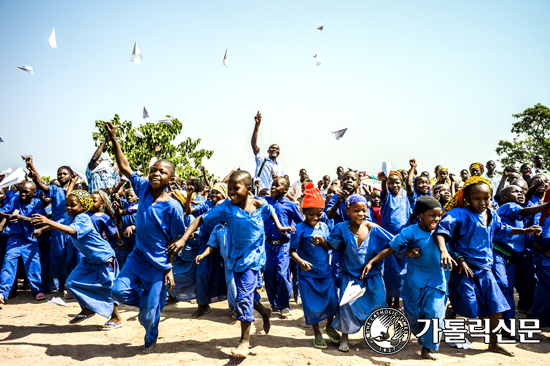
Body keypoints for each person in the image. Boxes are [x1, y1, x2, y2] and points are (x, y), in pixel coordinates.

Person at [168, 170, 294, 357]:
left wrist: (281, 226)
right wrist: (183, 239)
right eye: (229, 189)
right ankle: (264, 312)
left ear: (248, 189)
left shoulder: (260, 203)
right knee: (247, 295)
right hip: (235, 257)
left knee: (242, 297)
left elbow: (271, 211)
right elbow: (200, 219)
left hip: (254, 258)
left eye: (236, 188)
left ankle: (244, 342)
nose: (232, 192)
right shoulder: (227, 207)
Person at [434, 176, 541, 356]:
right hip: (464, 268)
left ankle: (493, 343)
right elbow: (441, 231)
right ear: (467, 197)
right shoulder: (458, 214)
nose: (483, 202)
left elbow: (501, 229)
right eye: (477, 198)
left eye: (486, 198)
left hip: (485, 268)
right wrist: (444, 250)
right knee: (468, 307)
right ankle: (449, 321)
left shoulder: (491, 213)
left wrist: (524, 230)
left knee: (497, 306)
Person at [104, 121, 186, 354]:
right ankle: (147, 302)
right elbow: (125, 166)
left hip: (158, 263)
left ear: (171, 178)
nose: (156, 173)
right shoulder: (142, 189)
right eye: (153, 170)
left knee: (150, 315)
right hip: (137, 256)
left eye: (163, 171)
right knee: (117, 291)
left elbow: (176, 240)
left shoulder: (172, 207)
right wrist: (114, 139)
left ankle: (151, 338)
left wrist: (169, 269)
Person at [363, 196, 456, 360]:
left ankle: (428, 348)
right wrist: (372, 261)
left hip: (438, 280)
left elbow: (456, 248)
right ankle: (418, 330)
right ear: (420, 215)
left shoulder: (443, 231)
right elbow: (392, 248)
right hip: (415, 280)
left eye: (439, 215)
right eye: (432, 215)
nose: (436, 219)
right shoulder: (410, 232)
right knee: (413, 314)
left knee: (434, 313)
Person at [31, 190, 123, 329]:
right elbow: (58, 223)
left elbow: (72, 231)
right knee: (72, 283)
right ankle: (88, 308)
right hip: (90, 259)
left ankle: (116, 317)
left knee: (106, 288)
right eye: (67, 204)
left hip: (103, 258)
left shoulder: (83, 218)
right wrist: (42, 229)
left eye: (73, 205)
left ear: (83, 207)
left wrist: (48, 221)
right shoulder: (70, 217)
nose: (68, 207)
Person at [325, 194, 393, 352]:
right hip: (350, 275)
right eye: (356, 211)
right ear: (347, 211)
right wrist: (320, 241)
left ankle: (378, 335)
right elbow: (330, 245)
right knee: (348, 306)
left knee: (378, 303)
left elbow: (392, 245)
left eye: (364, 210)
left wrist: (372, 261)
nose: (361, 214)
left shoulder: (372, 228)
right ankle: (345, 337)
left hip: (372, 275)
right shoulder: (341, 228)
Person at [492, 185, 550, 333]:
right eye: (515, 191)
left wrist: (544, 250)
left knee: (508, 291)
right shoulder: (507, 207)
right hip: (498, 253)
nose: (520, 194)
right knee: (502, 285)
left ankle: (505, 327)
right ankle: (497, 320)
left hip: (511, 258)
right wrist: (548, 205)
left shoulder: (522, 220)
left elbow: (528, 240)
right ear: (504, 197)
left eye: (522, 192)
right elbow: (523, 211)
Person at [290, 183, 340, 349]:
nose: (315, 218)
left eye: (319, 214)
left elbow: (330, 247)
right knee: (312, 306)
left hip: (325, 272)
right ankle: (317, 332)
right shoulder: (299, 229)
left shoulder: (325, 227)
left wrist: (323, 241)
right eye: (311, 214)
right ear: (304, 212)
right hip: (308, 275)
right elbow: (292, 251)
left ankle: (330, 326)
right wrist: (301, 261)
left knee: (332, 301)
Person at [26, 158, 77, 297]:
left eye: (64, 174)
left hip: (72, 228)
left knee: (71, 258)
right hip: (56, 228)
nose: (61, 176)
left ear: (71, 175)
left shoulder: (77, 191)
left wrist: (73, 183)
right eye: (59, 174)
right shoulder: (55, 189)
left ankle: (71, 287)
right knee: (57, 257)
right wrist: (31, 166)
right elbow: (42, 185)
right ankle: (61, 287)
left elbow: (68, 197)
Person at [185, 182, 228, 318]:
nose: (214, 194)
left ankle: (234, 306)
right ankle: (202, 306)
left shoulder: (228, 206)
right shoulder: (206, 205)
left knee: (226, 276)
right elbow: (188, 211)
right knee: (201, 274)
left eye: (218, 192)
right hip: (205, 244)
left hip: (224, 245)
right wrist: (189, 196)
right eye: (212, 192)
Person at [0, 181, 46, 303]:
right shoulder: (15, 200)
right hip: (14, 239)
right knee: (8, 263)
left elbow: (41, 221)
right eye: (21, 191)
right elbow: (2, 211)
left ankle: (38, 290)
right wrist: (10, 216)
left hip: (30, 240)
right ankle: (3, 293)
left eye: (26, 192)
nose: (22, 194)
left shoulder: (37, 203)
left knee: (33, 265)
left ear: (34, 193)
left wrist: (22, 218)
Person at [264, 177, 304, 318]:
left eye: (277, 185)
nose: (273, 187)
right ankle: (274, 304)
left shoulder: (290, 206)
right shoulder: (265, 202)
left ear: (286, 190)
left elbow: (301, 224)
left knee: (282, 273)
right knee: (268, 274)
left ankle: (284, 305)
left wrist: (297, 237)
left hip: (284, 244)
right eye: (272, 185)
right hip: (267, 244)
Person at [379, 170, 410, 310]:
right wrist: (384, 181)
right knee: (388, 271)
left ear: (401, 183)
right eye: (390, 183)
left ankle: (397, 300)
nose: (393, 185)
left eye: (397, 182)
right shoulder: (386, 197)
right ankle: (387, 299)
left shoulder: (405, 198)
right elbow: (384, 191)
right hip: (388, 237)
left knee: (401, 271)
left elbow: (409, 186)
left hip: (403, 238)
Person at [251, 111, 283, 193]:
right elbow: (254, 144)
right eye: (272, 148)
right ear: (268, 151)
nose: (274, 149)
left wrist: (277, 179)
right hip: (260, 193)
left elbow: (282, 183)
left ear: (278, 153)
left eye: (276, 149)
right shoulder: (261, 159)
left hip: (273, 196)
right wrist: (257, 125)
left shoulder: (280, 167)